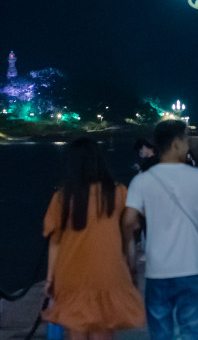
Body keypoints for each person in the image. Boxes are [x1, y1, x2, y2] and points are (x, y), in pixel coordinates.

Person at [122, 120, 198, 340]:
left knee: (161, 333)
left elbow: (128, 221)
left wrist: (129, 259)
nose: (188, 146)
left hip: (157, 270)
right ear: (176, 144)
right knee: (192, 331)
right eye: (186, 140)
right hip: (191, 268)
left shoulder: (141, 181)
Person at [42, 137, 145, 340]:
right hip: (108, 273)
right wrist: (131, 268)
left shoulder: (62, 198)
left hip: (71, 275)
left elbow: (55, 242)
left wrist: (49, 279)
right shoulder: (118, 193)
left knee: (77, 330)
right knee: (103, 329)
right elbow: (129, 235)